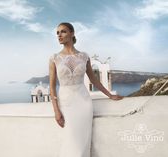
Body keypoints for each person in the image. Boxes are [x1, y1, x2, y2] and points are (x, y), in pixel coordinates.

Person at [49, 22, 124, 157]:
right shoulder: (54, 58)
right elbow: (52, 86)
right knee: (71, 140)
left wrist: (109, 95)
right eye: (57, 33)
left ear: (72, 33)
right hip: (66, 102)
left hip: (83, 102)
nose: (59, 35)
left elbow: (94, 80)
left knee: (83, 142)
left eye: (63, 31)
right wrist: (56, 110)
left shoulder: (84, 56)